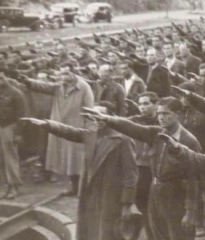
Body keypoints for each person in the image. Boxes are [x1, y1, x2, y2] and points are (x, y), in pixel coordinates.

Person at [84, 97, 200, 240]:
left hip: (176, 196)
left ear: (178, 114)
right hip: (155, 193)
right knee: (157, 235)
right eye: (159, 114)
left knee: (179, 235)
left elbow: (194, 179)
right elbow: (132, 128)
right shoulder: (156, 134)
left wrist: (190, 211)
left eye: (166, 113)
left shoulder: (189, 141)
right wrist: (107, 119)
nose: (161, 117)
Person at [22, 102, 138, 240]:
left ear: (110, 116)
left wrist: (127, 203)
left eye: (100, 115)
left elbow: (130, 173)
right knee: (90, 228)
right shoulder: (92, 134)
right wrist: (47, 124)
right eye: (92, 115)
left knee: (108, 231)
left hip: (110, 195)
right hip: (90, 192)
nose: (96, 118)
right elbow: (70, 132)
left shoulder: (122, 140)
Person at [18, 63, 95, 196]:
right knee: (68, 159)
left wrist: (89, 129)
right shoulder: (59, 86)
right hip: (61, 127)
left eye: (66, 73)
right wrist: (27, 81)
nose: (63, 77)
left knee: (78, 159)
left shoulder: (84, 87)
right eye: (61, 74)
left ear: (73, 72)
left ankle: (84, 188)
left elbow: (90, 110)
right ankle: (74, 186)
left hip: (76, 127)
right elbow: (43, 86)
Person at [128, 92, 159, 215]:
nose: (142, 107)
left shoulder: (161, 121)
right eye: (140, 104)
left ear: (156, 105)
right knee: (140, 199)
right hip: (139, 165)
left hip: (155, 166)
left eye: (146, 103)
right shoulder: (134, 121)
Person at [0, 72, 27, 199]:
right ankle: (6, 186)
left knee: (10, 158)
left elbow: (22, 115)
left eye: (1, 78)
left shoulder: (15, 93)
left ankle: (14, 186)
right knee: (2, 159)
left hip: (9, 127)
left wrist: (18, 133)